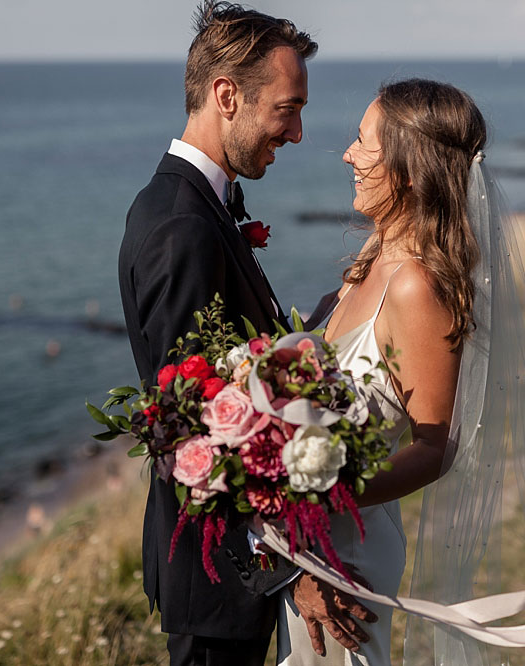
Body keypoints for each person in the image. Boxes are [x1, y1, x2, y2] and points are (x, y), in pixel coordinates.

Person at [277, 79, 525, 665]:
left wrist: (325, 501)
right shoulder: (370, 258)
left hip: (348, 545)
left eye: (363, 141)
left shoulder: (417, 287)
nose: (347, 153)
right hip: (308, 540)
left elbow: (434, 445)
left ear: (409, 169)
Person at [118, 3, 374, 664]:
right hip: (218, 574)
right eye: (287, 110)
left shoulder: (200, 205)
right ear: (226, 96)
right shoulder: (183, 225)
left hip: (227, 573)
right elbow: (192, 430)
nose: (295, 133)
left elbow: (230, 373)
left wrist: (313, 329)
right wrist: (294, 569)